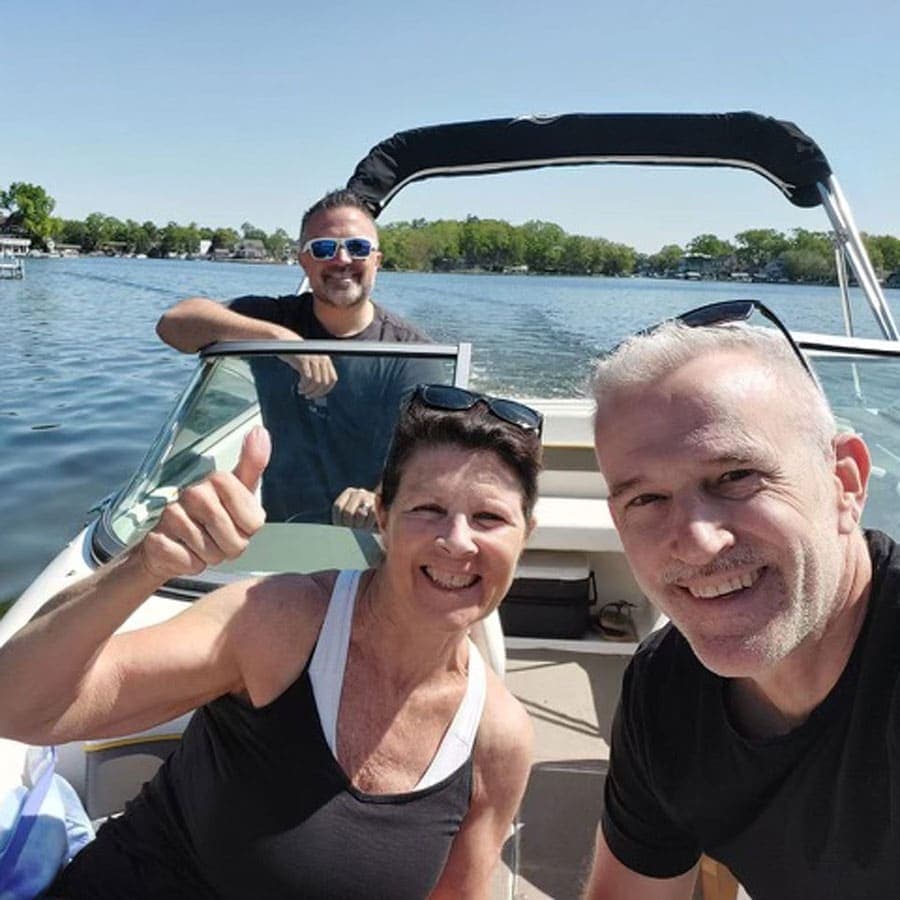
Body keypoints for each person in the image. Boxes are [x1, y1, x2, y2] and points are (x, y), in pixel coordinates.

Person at [0, 384, 543, 899]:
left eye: (490, 518)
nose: (457, 541)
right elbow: (19, 708)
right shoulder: (280, 621)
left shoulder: (497, 740)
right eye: (429, 509)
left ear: (526, 537)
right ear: (383, 517)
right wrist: (148, 563)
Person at [582, 302, 894, 899]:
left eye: (735, 478)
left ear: (845, 483)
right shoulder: (665, 687)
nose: (698, 543)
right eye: (646, 500)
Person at [156, 188, 440, 528]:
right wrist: (280, 339)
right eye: (324, 248)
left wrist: (377, 495)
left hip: (373, 539)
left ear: (376, 260)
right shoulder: (273, 321)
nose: (342, 260)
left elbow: (428, 456)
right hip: (283, 530)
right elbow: (173, 324)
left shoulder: (410, 351)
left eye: (358, 247)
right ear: (304, 261)